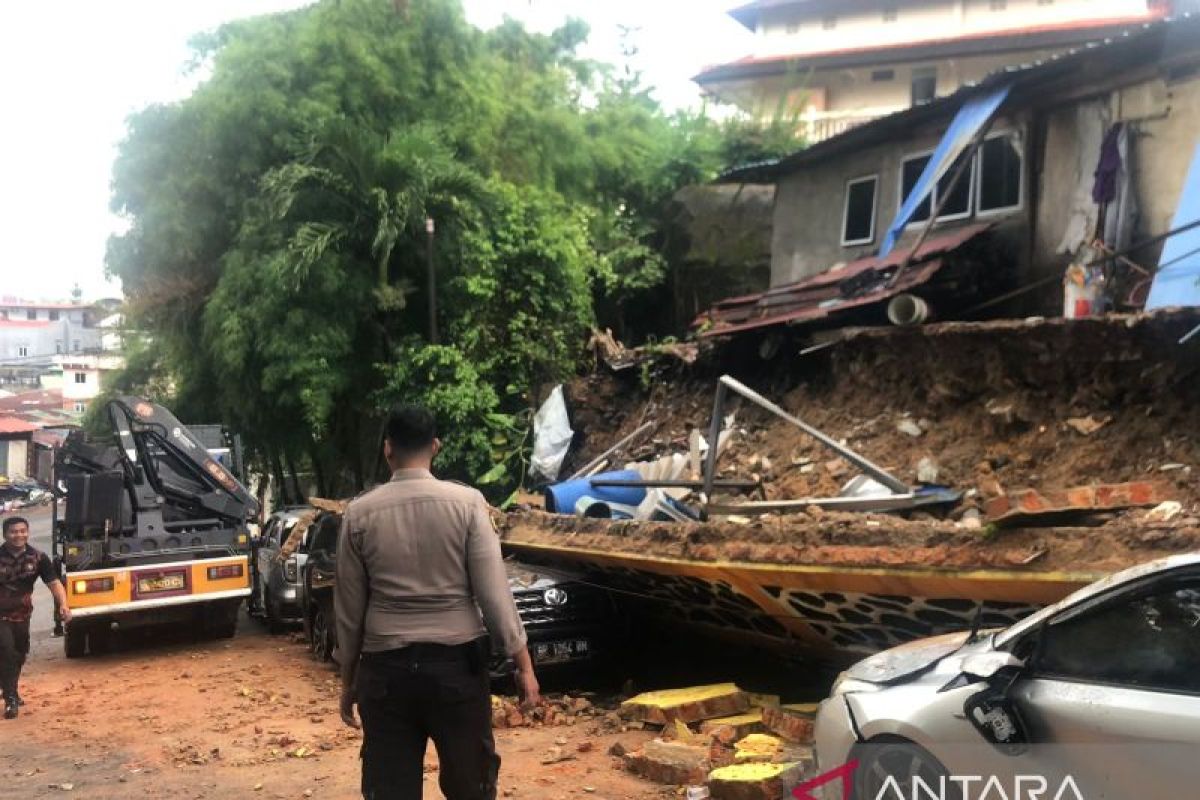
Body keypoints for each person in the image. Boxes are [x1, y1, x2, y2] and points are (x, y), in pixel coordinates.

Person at [336, 406, 540, 800]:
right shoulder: (467, 505)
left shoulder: (359, 514)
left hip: (386, 675)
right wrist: (524, 665)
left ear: (387, 450)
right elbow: (494, 595)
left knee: (391, 789)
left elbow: (348, 612)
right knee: (471, 788)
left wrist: (348, 681)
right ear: (435, 447)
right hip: (457, 672)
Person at [1, 515, 71, 719]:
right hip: (0, 615)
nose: (18, 535)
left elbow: (54, 583)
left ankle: (8, 686)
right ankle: (11, 699)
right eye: (13, 532)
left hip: (23, 614)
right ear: (5, 534)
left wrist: (64, 605)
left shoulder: (38, 558)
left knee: (20, 652)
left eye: (22, 531)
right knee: (6, 651)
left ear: (28, 533)